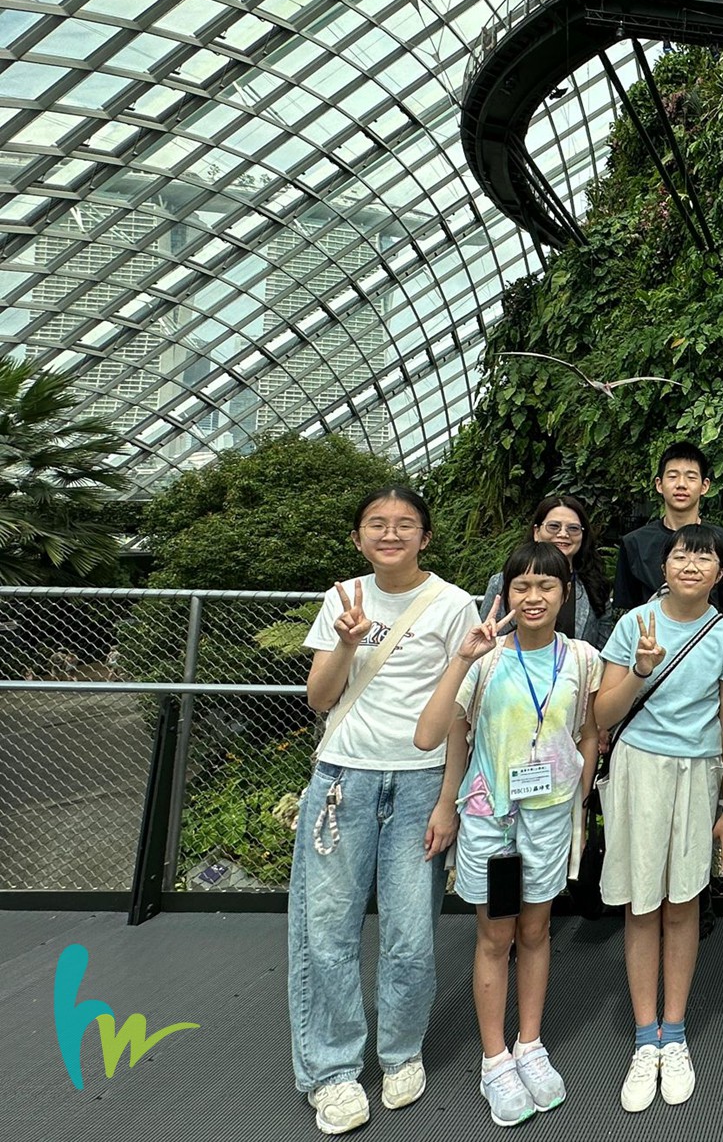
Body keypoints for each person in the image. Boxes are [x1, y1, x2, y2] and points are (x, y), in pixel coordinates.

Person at [289, 487, 480, 1136]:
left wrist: (449, 801)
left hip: (420, 783)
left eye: (404, 524)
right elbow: (319, 697)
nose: (390, 533)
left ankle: (400, 1051)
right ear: (358, 536)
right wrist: (346, 644)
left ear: (425, 536)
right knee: (327, 932)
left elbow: (458, 715)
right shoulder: (344, 597)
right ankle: (333, 1070)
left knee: (410, 932)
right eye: (377, 523)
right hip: (343, 778)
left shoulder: (453, 604)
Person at [414, 542, 604, 1123]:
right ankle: (494, 1059)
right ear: (505, 593)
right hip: (493, 820)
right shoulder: (486, 657)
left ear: (565, 594)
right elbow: (435, 735)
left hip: (547, 820)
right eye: (522, 585)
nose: (533, 597)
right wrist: (462, 659)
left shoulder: (582, 659)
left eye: (546, 585)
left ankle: (530, 1045)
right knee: (497, 935)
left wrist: (579, 791)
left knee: (537, 930)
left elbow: (589, 731)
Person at [593, 523, 723, 1111]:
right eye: (683, 555)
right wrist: (639, 670)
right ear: (665, 565)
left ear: (720, 574)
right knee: (641, 903)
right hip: (639, 768)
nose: (691, 566)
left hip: (698, 774)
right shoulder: (635, 623)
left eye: (704, 559)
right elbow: (602, 714)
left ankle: (673, 1034)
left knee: (683, 903)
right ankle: (644, 1037)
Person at [612, 442, 723, 614]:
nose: (681, 484)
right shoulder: (634, 543)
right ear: (659, 484)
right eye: (672, 476)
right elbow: (625, 610)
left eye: (691, 477)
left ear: (705, 486)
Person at [480, 493, 611, 647]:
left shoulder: (595, 586)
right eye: (554, 526)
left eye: (573, 528)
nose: (563, 534)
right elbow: (484, 639)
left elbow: (604, 650)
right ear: (537, 532)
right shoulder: (502, 582)